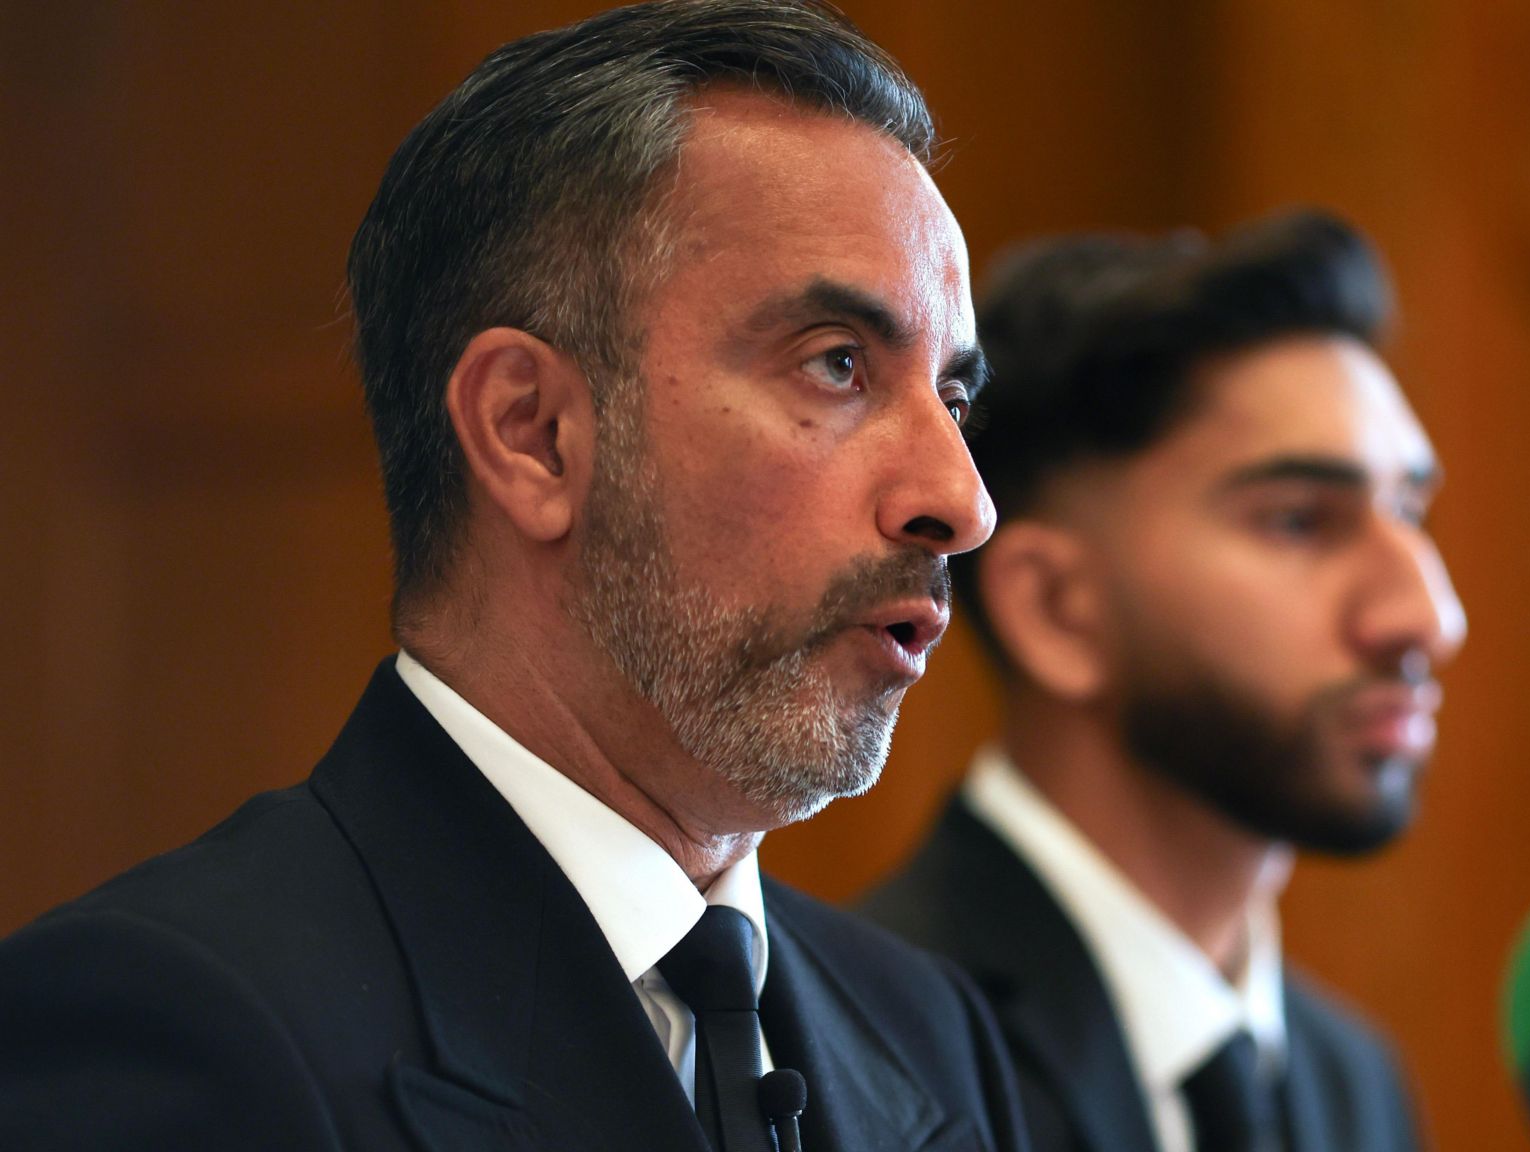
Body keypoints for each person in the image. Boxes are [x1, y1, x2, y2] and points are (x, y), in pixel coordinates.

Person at [0, 4, 1027, 1150]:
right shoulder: (171, 1026)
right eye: (837, 365)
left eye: (952, 398)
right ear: (532, 434)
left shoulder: (928, 1033)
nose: (964, 500)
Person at [860, 211, 1468, 1152]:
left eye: (1410, 511)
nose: (1427, 616)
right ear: (1057, 607)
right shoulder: (863, 1050)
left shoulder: (1354, 1082)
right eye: (1301, 521)